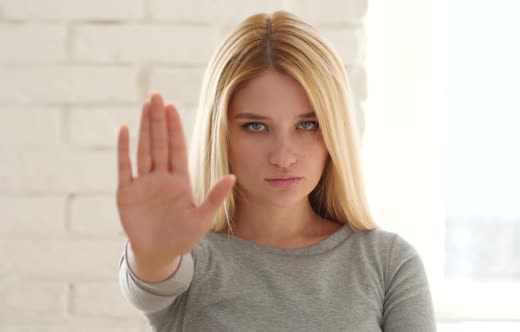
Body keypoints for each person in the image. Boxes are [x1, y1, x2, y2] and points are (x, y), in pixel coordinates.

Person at [116, 10, 436, 332]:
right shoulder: (187, 258)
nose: (283, 157)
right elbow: (150, 282)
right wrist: (151, 253)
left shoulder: (387, 263)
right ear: (222, 134)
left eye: (308, 124)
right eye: (256, 126)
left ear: (334, 132)